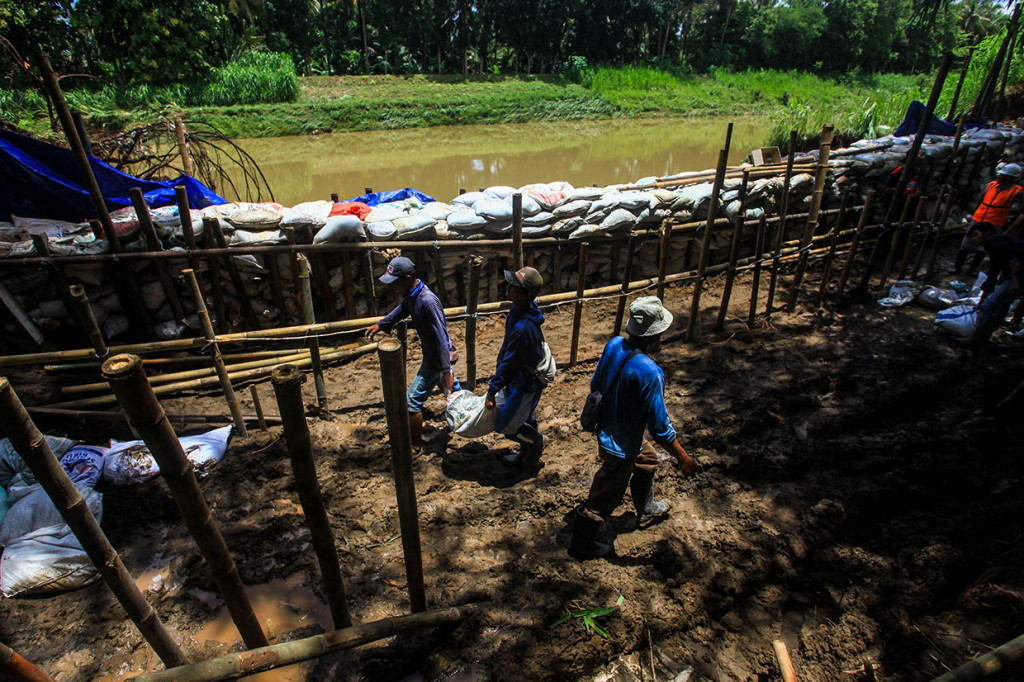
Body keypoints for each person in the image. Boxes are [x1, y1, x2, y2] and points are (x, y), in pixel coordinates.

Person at [569, 296, 697, 560]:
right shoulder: (650, 372)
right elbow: (661, 429)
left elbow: (596, 384)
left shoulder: (614, 344)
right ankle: (581, 547)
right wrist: (683, 458)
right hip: (621, 446)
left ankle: (647, 507)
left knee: (648, 459)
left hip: (608, 427)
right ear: (656, 334)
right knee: (603, 498)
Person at [364, 256, 459, 452]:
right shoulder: (412, 295)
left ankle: (415, 446)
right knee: (453, 392)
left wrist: (445, 370)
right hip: (434, 355)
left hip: (436, 359)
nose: (393, 287)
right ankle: (470, 417)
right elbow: (402, 309)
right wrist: (381, 324)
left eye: (395, 282)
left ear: (408, 278)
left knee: (411, 403)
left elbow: (441, 338)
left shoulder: (427, 301)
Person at [485, 266, 547, 466]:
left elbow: (512, 362)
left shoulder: (524, 328)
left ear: (526, 294)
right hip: (517, 378)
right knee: (521, 417)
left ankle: (535, 443)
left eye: (514, 286)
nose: (508, 288)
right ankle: (527, 451)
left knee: (507, 427)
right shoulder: (519, 309)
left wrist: (492, 389)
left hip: (525, 384)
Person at [961, 222, 1024, 347]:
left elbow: (1014, 261)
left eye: (976, 234)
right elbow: (993, 275)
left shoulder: (994, 241)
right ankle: (985, 337)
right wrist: (980, 301)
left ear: (987, 233)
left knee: (990, 304)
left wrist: (1015, 282)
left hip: (1020, 276)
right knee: (1002, 305)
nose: (974, 239)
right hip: (1015, 275)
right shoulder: (993, 246)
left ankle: (977, 337)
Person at [953, 163, 1024, 275]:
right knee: (967, 241)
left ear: (1009, 178)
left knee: (986, 246)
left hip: (994, 222)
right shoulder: (990, 185)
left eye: (1002, 175)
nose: (998, 177)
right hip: (979, 218)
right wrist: (975, 213)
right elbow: (980, 200)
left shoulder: (1016, 192)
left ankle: (973, 269)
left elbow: (1020, 209)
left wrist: (1010, 224)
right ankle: (957, 266)